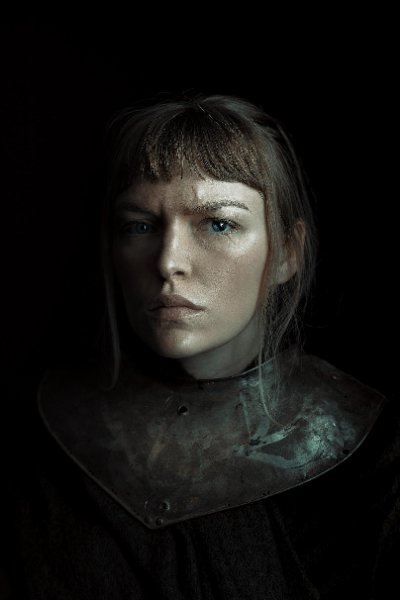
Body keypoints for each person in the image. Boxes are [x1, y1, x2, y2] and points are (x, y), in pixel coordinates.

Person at [2, 93, 399, 599]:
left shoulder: (368, 450)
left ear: (286, 253)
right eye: (140, 226)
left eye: (218, 223)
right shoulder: (36, 439)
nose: (168, 261)